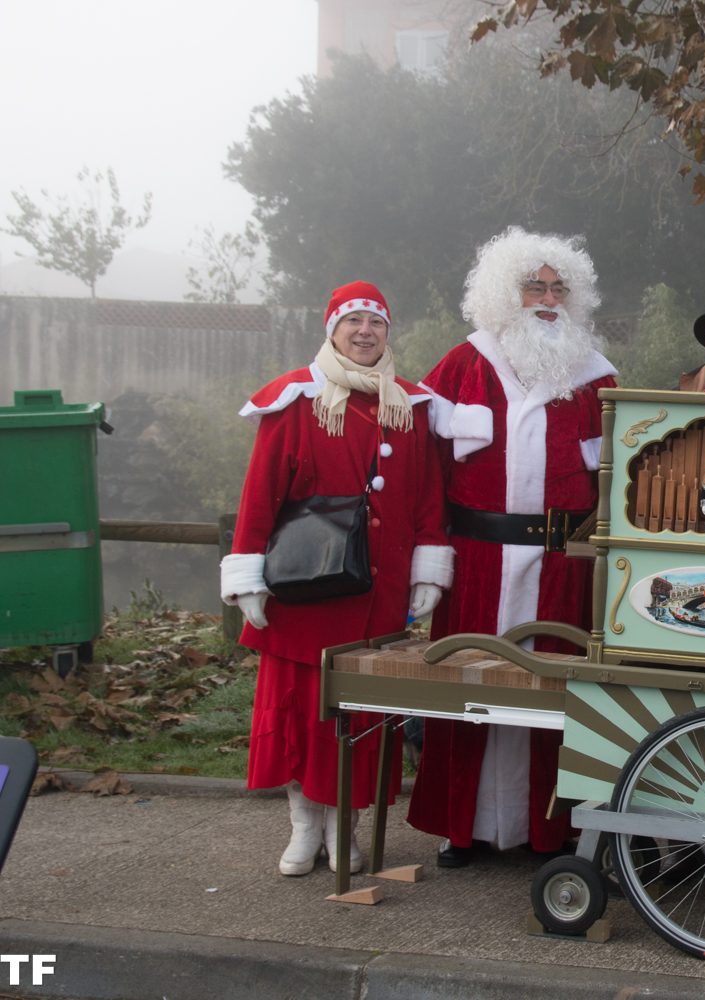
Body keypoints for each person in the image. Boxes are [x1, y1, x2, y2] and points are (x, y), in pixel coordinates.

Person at [220, 280, 453, 877]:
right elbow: (259, 492)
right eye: (353, 322)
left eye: (376, 323)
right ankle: (303, 826)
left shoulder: (410, 405)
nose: (365, 332)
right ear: (332, 330)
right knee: (303, 716)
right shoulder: (297, 400)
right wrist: (249, 577)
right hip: (306, 593)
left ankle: (343, 829)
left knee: (360, 719)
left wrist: (430, 563)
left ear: (387, 333)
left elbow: (429, 496)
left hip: (376, 594)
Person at [407, 228, 617, 865]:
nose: (548, 299)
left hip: (563, 568)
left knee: (556, 696)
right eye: (535, 286)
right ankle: (464, 828)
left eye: (559, 288)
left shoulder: (598, 378)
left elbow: (620, 483)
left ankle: (546, 829)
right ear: (506, 292)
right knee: (468, 691)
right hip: (477, 563)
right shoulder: (460, 366)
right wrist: (427, 559)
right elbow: (423, 475)